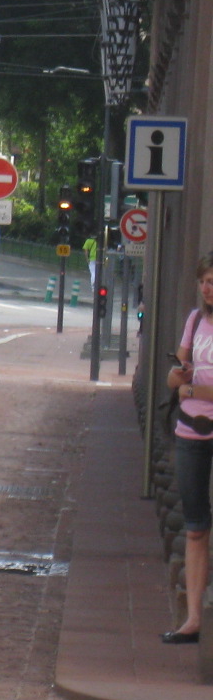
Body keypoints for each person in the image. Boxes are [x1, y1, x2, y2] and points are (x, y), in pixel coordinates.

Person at [164, 251, 213, 644]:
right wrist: (176, 378)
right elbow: (173, 376)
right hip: (191, 432)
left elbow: (191, 385)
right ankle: (193, 618)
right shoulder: (194, 321)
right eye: (205, 281)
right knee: (196, 527)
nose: (209, 288)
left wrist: (192, 387)